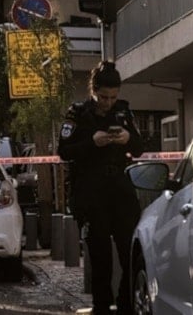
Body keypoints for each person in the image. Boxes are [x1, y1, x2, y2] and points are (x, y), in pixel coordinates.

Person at [57, 61, 143, 315]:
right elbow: (64, 151)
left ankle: (126, 303)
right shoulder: (78, 114)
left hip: (120, 190)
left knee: (130, 251)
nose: (108, 102)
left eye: (113, 97)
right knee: (100, 255)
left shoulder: (123, 113)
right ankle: (101, 306)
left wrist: (128, 139)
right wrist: (92, 142)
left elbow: (139, 147)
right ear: (93, 90)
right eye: (103, 97)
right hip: (91, 192)